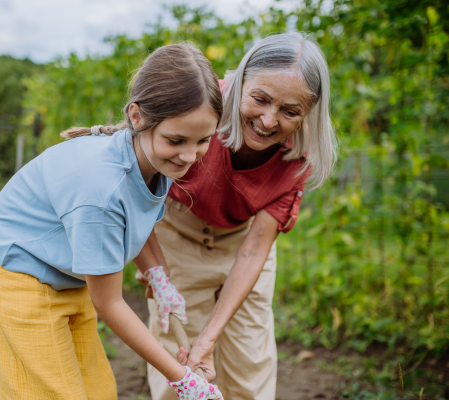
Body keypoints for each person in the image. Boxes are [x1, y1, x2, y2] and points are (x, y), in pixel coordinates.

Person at [0, 43, 225, 400]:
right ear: (137, 117)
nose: (189, 155)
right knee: (54, 393)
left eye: (203, 140)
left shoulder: (155, 157)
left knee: (97, 391)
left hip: (68, 267)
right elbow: (110, 304)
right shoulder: (103, 189)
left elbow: (136, 218)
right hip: (21, 269)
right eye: (177, 140)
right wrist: (182, 378)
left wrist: (157, 273)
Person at [134, 33, 338, 400]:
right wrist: (155, 268)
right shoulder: (197, 106)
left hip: (242, 242)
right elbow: (138, 184)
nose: (268, 120)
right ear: (240, 80)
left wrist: (210, 336)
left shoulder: (301, 152)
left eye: (290, 111)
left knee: (249, 364)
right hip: (177, 234)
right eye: (259, 99)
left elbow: (254, 250)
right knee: (179, 366)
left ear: (309, 113)